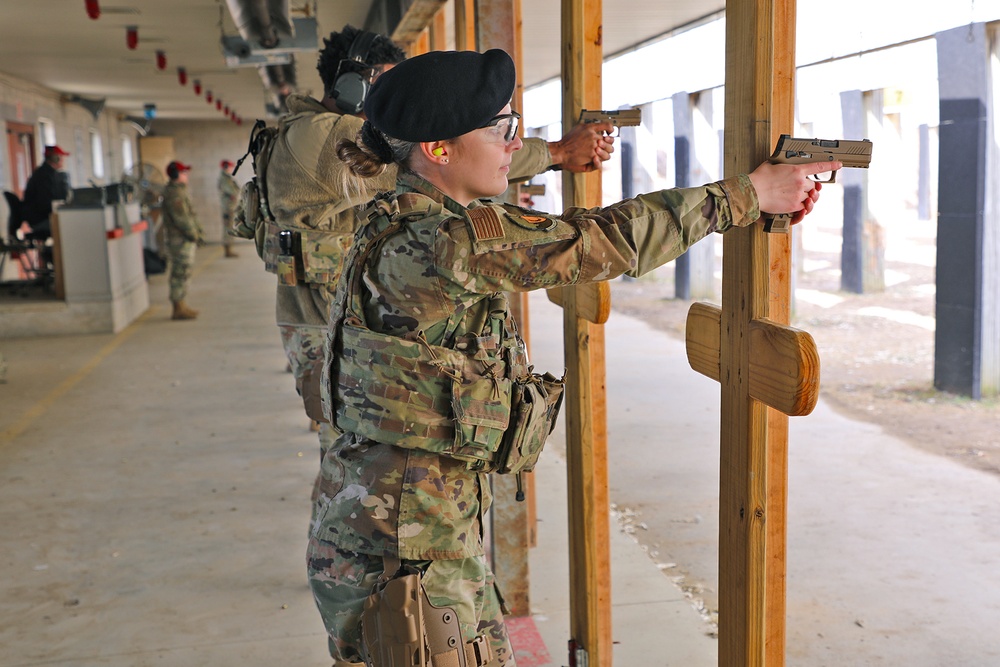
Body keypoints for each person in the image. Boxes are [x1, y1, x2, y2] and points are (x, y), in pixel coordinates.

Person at [309, 49, 838, 667]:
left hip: (382, 528)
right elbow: (600, 242)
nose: (516, 143)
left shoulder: (392, 223)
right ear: (440, 151)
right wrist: (747, 195)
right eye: (501, 128)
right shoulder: (444, 242)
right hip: (409, 549)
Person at [260, 25, 615, 506]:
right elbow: (422, 154)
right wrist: (554, 153)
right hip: (325, 321)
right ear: (351, 86)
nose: (395, 106)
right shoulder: (319, 137)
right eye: (384, 86)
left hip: (331, 311)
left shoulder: (304, 131)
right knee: (356, 449)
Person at [161, 160, 204, 321]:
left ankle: (182, 304)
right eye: (184, 173)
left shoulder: (179, 191)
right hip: (179, 240)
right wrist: (194, 234)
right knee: (179, 272)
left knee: (184, 272)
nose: (186, 176)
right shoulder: (174, 194)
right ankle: (178, 307)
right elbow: (182, 219)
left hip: (183, 239)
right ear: (176, 175)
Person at [21, 145, 71, 241]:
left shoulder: (46, 174)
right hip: (39, 218)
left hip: (40, 215)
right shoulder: (44, 177)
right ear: (55, 159)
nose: (63, 161)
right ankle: (57, 254)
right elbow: (45, 204)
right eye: (61, 158)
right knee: (66, 223)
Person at [217, 159, 240, 258]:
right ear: (226, 167)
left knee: (229, 227)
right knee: (228, 228)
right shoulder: (225, 179)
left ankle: (229, 249)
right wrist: (234, 192)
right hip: (227, 207)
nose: (232, 168)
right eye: (230, 166)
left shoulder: (227, 178)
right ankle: (228, 250)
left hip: (229, 206)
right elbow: (233, 191)